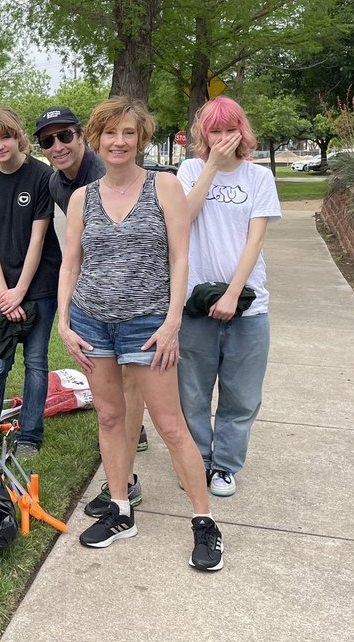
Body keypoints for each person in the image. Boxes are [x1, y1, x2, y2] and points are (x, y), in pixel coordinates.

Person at [57, 97, 224, 571]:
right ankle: (120, 510)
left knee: (171, 426)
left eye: (128, 133)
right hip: (93, 324)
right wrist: (65, 322)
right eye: (110, 133)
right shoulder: (81, 197)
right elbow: (72, 264)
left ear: (141, 138)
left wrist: (173, 322)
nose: (119, 141)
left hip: (148, 325)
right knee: (110, 419)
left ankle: (204, 520)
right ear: (97, 138)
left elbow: (179, 259)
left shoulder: (164, 186)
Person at [36, 106, 150, 501]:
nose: (57, 145)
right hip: (96, 296)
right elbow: (79, 250)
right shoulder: (57, 185)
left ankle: (126, 481)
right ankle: (126, 459)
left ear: (83, 136)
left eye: (64, 135)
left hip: (135, 301)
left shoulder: (105, 171)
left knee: (131, 380)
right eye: (47, 140)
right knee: (114, 392)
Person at [177, 97, 281, 497]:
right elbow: (182, 218)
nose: (221, 139)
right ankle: (197, 458)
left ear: (242, 131)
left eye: (228, 130)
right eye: (213, 132)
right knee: (193, 390)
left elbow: (255, 239)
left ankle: (225, 465)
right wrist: (210, 168)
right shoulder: (189, 170)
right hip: (196, 302)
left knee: (242, 393)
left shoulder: (259, 179)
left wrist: (234, 295)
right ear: (204, 136)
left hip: (247, 303)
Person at [0, 107, 62, 458]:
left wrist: (21, 291)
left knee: (35, 361)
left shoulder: (41, 176)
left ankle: (29, 436)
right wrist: (4, 292)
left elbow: (38, 239)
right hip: (1, 287)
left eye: (4, 137)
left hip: (38, 285)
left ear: (18, 135)